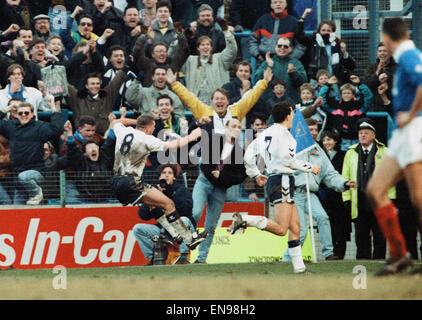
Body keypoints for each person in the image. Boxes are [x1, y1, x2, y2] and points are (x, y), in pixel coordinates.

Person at [365, 17, 422, 275]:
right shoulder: (404, 58)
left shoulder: (409, 55)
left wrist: (411, 114)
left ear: (386, 37)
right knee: (375, 190)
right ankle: (400, 255)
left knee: (418, 199)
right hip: (401, 135)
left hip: (413, 131)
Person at [236, 101, 320, 274]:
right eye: (292, 114)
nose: (294, 117)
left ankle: (299, 269)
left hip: (278, 179)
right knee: (282, 229)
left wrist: (256, 174)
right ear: (288, 115)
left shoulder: (265, 133)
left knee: (296, 227)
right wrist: (310, 167)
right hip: (282, 179)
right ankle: (245, 219)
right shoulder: (283, 134)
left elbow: (249, 155)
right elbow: (286, 160)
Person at [111, 114, 208, 250]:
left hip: (116, 182)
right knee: (168, 204)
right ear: (149, 127)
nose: (153, 130)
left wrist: (136, 121)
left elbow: (116, 121)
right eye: (153, 127)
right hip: (132, 182)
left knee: (154, 205)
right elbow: (172, 145)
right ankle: (189, 239)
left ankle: (175, 235)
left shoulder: (123, 131)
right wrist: (192, 136)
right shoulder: (147, 139)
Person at [281, 118, 355, 262]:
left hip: (310, 194)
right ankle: (288, 258)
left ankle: (328, 253)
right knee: (301, 231)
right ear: (302, 131)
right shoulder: (290, 147)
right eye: (310, 130)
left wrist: (344, 183)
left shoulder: (318, 150)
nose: (314, 133)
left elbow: (330, 174)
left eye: (316, 129)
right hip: (293, 193)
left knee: (323, 217)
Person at [190, 118, 248, 264]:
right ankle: (185, 252)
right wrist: (198, 124)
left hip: (220, 190)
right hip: (203, 182)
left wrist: (222, 176)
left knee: (210, 225)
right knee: (195, 214)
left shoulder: (239, 152)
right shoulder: (214, 140)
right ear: (226, 128)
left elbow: (240, 176)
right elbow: (194, 136)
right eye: (233, 126)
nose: (236, 129)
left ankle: (201, 259)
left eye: (239, 127)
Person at [343, 118, 395, 260]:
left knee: (380, 234)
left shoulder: (385, 152)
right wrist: (346, 199)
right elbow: (345, 177)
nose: (363, 135)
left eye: (366, 133)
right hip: (358, 199)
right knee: (361, 235)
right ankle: (363, 262)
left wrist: (391, 198)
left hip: (378, 198)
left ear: (374, 135)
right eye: (360, 133)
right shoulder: (351, 152)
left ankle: (379, 261)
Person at [167, 67, 272, 133]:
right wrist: (174, 84)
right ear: (212, 101)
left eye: (222, 99)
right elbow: (189, 98)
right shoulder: (204, 112)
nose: (219, 101)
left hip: (231, 158)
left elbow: (251, 97)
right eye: (217, 99)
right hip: (210, 157)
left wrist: (264, 82)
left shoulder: (236, 110)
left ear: (227, 101)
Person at [0, 99, 63, 205]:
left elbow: (57, 129)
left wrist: (53, 106)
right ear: (16, 114)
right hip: (18, 180)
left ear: (32, 114)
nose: (23, 115)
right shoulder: (11, 127)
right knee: (17, 215)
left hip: (35, 173)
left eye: (26, 113)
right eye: (20, 113)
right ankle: (35, 195)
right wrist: (7, 109)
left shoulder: (39, 127)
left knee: (24, 176)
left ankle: (36, 193)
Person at [133, 163, 196, 265]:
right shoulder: (153, 192)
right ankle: (153, 257)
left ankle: (184, 257)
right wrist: (150, 201)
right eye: (164, 173)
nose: (166, 175)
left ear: (174, 177)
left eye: (170, 173)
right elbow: (143, 216)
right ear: (159, 177)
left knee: (184, 220)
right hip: (163, 230)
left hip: (181, 227)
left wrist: (170, 195)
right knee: (138, 229)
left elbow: (187, 211)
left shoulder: (181, 190)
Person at [181, 22, 237, 105]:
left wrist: (227, 33)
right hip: (196, 104)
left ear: (211, 47)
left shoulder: (219, 58)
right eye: (202, 45)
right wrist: (181, 37)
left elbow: (232, 51)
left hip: (217, 103)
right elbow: (177, 55)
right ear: (198, 48)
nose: (205, 47)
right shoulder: (190, 61)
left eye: (207, 44)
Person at [296, 9, 355, 84]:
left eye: (328, 30)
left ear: (333, 32)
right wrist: (303, 17)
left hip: (334, 81)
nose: (325, 33)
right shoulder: (313, 41)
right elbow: (299, 36)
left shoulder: (337, 45)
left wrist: (344, 53)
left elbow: (352, 66)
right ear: (319, 31)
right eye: (323, 30)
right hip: (315, 81)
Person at [66, 66, 129, 136]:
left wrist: (126, 66)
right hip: (81, 138)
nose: (95, 86)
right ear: (86, 86)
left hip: (103, 138)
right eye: (92, 84)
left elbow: (117, 81)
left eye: (97, 83)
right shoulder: (78, 98)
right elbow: (66, 86)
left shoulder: (107, 96)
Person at [319, 129, 350, 259]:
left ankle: (340, 255)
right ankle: (330, 254)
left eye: (329, 139)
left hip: (340, 197)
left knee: (341, 229)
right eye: (324, 140)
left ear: (336, 140)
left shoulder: (344, 155)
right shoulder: (319, 155)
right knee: (328, 226)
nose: (326, 142)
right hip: (325, 198)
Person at [319, 76, 373, 151]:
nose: (346, 95)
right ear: (341, 95)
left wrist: (359, 84)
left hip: (356, 139)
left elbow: (369, 98)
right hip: (342, 140)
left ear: (353, 94)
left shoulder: (359, 105)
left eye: (348, 93)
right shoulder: (336, 105)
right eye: (344, 93)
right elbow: (322, 100)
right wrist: (327, 85)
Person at [254, 37, 307, 104]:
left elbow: (303, 81)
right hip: (269, 105)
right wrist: (269, 67)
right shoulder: (267, 62)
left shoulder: (296, 63)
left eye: (285, 46)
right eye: (279, 46)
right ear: (275, 47)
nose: (282, 48)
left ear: (290, 49)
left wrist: (293, 73)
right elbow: (256, 80)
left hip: (290, 103)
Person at [249, 0, 298, 64]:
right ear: (271, 5)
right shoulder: (262, 20)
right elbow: (253, 41)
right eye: (275, 2)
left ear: (286, 4)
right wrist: (257, 55)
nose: (278, 4)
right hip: (263, 60)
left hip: (286, 62)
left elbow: (300, 45)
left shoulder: (294, 22)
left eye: (281, 2)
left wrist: (292, 58)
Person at [364, 42, 397, 116]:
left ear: (391, 53)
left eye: (385, 51)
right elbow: (366, 84)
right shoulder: (371, 67)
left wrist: (387, 77)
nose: (382, 53)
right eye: (380, 51)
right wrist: (377, 72)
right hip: (374, 107)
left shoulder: (397, 67)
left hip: (392, 105)